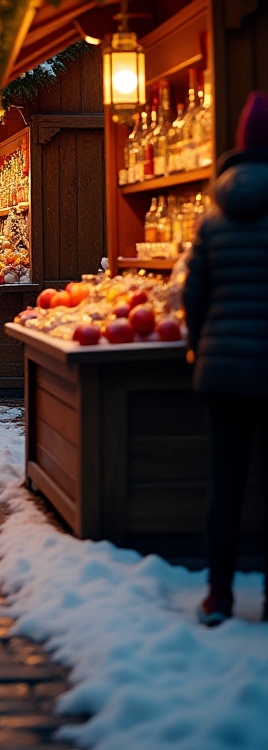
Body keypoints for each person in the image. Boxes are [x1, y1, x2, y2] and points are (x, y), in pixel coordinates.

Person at [183, 89, 268, 627]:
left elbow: (194, 296)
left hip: (222, 370)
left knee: (226, 484)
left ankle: (219, 593)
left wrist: (199, 343)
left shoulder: (214, 218)